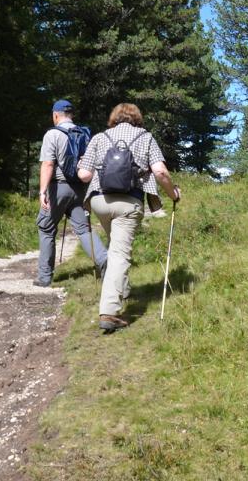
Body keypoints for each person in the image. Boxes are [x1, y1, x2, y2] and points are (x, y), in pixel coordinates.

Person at [77, 103, 181, 333]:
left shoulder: (100, 137)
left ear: (114, 118)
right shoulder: (145, 137)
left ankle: (121, 291)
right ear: (137, 118)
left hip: (99, 201)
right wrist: (173, 193)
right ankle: (110, 312)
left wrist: (80, 165)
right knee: (119, 254)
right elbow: (160, 172)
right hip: (128, 202)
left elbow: (84, 175)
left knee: (115, 248)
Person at [35, 100, 107, 287]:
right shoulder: (84, 134)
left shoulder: (53, 134)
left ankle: (44, 278)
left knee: (46, 228)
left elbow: (48, 164)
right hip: (80, 189)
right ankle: (104, 261)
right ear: (71, 114)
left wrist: (42, 191)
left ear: (56, 115)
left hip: (58, 188)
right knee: (83, 230)